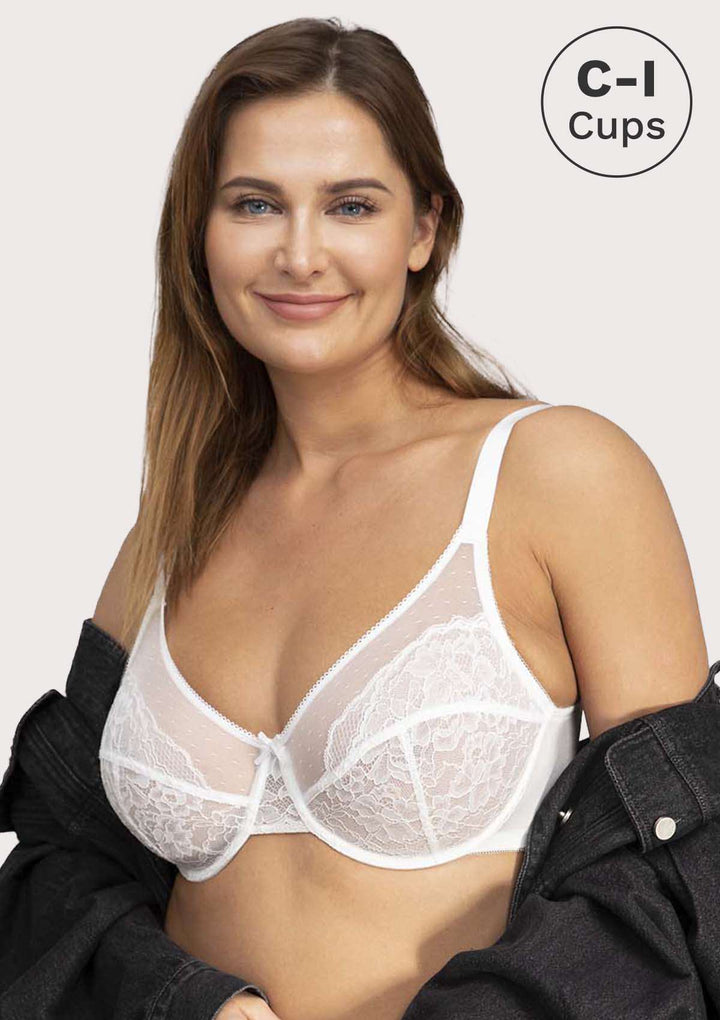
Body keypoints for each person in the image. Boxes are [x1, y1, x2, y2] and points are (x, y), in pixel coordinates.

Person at [30, 16, 714, 1020]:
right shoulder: (168, 533)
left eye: (350, 205)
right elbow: (58, 862)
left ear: (424, 230)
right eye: (255, 203)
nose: (300, 254)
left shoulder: (555, 475)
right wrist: (191, 1000)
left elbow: (678, 872)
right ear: (200, 233)